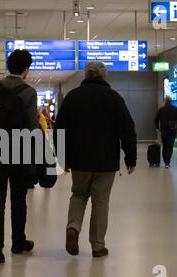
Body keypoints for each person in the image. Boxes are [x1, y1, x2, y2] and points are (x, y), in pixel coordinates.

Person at [55, 61, 137, 258]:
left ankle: (73, 228)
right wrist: (130, 157)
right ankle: (98, 246)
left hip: (79, 160)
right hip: (106, 161)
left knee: (78, 195)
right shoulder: (114, 98)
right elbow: (127, 129)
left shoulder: (72, 97)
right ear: (104, 76)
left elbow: (60, 129)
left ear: (85, 75)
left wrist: (63, 157)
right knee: (101, 201)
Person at [0, 49, 39, 265]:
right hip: (20, 152)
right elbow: (32, 128)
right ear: (26, 69)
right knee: (19, 199)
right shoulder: (29, 92)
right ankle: (18, 242)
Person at [154, 96, 177, 168]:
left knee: (166, 146)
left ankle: (166, 161)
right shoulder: (175, 109)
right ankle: (167, 161)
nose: (168, 102)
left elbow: (156, 120)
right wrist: (176, 128)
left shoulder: (161, 109)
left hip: (164, 131)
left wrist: (157, 127)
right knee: (169, 146)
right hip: (171, 131)